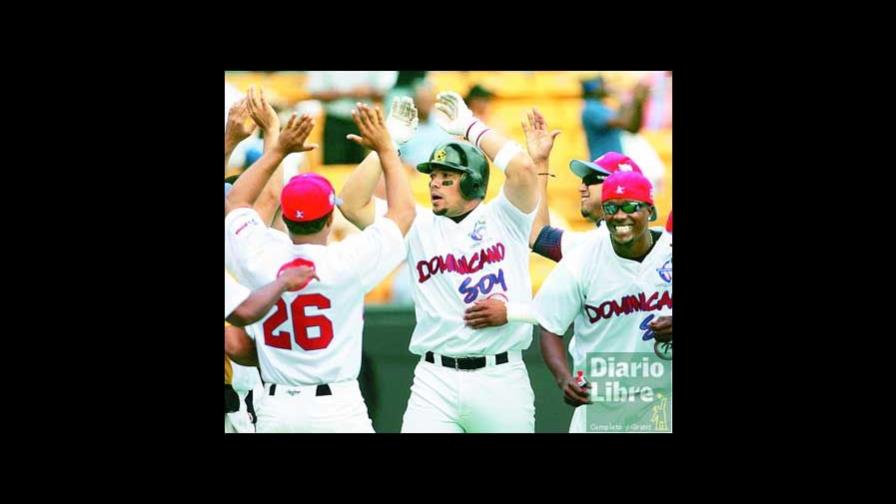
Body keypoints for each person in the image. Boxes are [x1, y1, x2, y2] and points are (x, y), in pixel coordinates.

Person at [339, 91, 539, 433]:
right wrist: (387, 143)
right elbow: (351, 203)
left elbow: (522, 168)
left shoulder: (505, 217)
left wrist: (469, 126)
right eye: (433, 177)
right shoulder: (417, 225)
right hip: (435, 378)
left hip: (500, 376)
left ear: (474, 182)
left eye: (447, 178)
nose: (435, 184)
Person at [224, 101, 416, 432]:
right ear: (330, 218)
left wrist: (278, 148)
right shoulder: (347, 260)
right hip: (337, 406)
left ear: (283, 216)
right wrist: (387, 147)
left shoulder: (257, 252)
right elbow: (404, 213)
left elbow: (238, 202)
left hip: (276, 405)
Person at [531, 168, 672, 432]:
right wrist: (564, 378)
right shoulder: (582, 258)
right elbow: (550, 325)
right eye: (611, 207)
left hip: (665, 397)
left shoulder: (670, 251)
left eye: (631, 206)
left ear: (650, 212)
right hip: (603, 401)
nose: (620, 216)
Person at [581, 76, 648, 160]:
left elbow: (632, 128)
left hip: (612, 163)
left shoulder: (604, 107)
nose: (607, 86)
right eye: (603, 84)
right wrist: (630, 98)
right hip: (602, 164)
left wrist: (638, 103)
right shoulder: (591, 109)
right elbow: (623, 122)